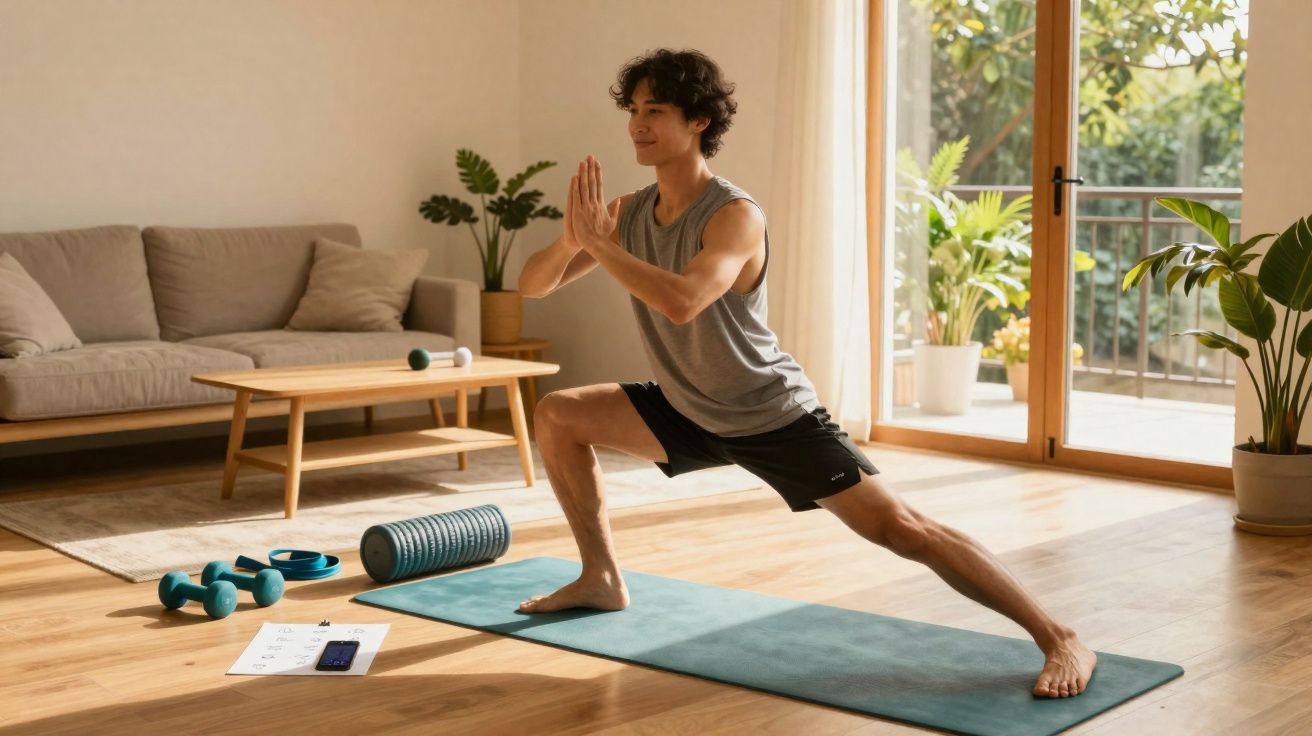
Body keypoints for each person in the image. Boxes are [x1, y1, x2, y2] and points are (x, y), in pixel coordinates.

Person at [515, 48, 1097, 699]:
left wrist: (600, 246)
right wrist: (574, 238)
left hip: (769, 413)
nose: (637, 125)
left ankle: (1059, 635)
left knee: (904, 531)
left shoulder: (734, 215)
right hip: (688, 407)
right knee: (558, 413)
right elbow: (532, 287)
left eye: (656, 110)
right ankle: (601, 577)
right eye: (634, 110)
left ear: (700, 120)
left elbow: (682, 300)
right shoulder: (625, 212)